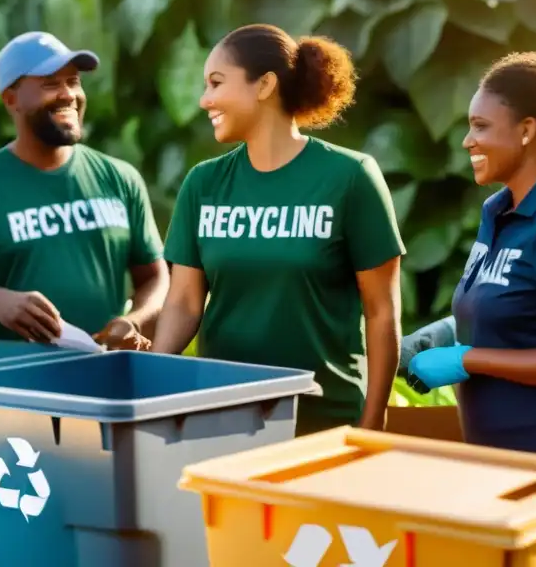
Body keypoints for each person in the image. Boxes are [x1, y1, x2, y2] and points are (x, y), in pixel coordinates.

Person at [151, 23, 403, 436]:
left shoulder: (351, 177)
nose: (204, 99)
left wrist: (373, 421)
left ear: (265, 85)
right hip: (222, 416)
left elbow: (382, 311)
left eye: (216, 83)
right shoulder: (203, 183)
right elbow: (183, 301)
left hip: (325, 421)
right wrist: (153, 379)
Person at [0, 31, 168, 350]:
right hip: (11, 388)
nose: (68, 94)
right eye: (51, 84)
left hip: (104, 377)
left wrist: (134, 322)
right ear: (11, 99)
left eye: (73, 82)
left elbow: (155, 278)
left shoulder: (120, 179)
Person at [405, 52, 536, 453]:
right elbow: (519, 313)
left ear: (527, 130)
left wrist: (469, 359)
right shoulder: (498, 212)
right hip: (491, 456)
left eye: (480, 126)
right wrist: (448, 331)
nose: (467, 140)